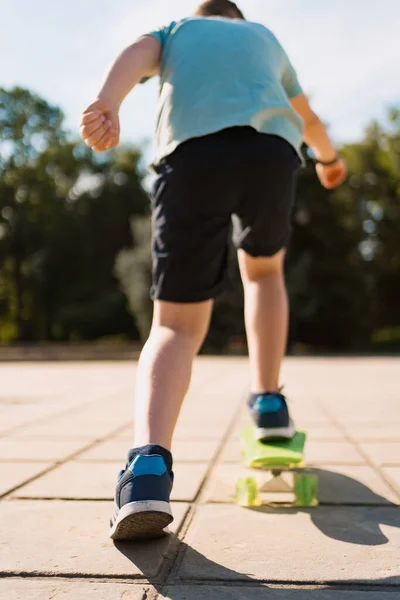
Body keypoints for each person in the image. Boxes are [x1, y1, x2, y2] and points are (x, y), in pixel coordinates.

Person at [80, 0, 347, 540]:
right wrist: (330, 160)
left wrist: (108, 102)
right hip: (271, 156)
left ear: (202, 16)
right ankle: (269, 404)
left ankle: (148, 471)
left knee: (176, 325)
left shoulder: (177, 30)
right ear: (239, 22)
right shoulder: (266, 39)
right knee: (264, 273)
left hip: (194, 157)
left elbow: (137, 53)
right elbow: (308, 116)